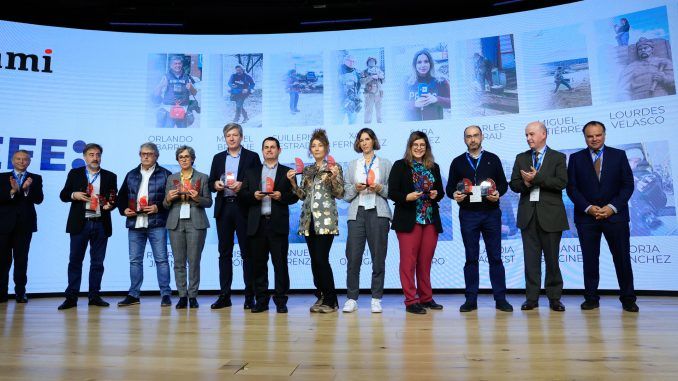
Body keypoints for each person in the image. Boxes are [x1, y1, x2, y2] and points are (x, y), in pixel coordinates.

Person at [566, 121, 638, 312]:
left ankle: (628, 298)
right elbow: (572, 188)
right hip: (587, 218)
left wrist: (612, 207)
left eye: (598, 135)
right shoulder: (575, 158)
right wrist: (588, 208)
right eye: (590, 136)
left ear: (604, 135)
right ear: (585, 137)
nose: (594, 139)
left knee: (622, 258)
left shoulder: (619, 155)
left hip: (615, 217)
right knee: (590, 259)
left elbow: (628, 185)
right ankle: (591, 298)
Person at [446, 126, 512, 312]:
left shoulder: (493, 159)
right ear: (464, 139)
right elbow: (450, 187)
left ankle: (500, 299)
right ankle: (471, 300)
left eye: (476, 136)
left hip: (491, 213)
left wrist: (498, 192)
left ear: (482, 137)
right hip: (468, 214)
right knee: (471, 258)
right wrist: (454, 194)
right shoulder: (457, 162)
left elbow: (503, 185)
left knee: (496, 258)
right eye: (469, 136)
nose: (473, 139)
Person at [509, 122, 569, 312]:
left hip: (551, 216)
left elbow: (561, 183)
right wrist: (526, 184)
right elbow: (514, 185)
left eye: (532, 134)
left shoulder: (558, 157)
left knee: (552, 260)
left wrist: (536, 179)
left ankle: (554, 298)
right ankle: (532, 298)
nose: (528, 138)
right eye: (526, 135)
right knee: (531, 260)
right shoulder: (521, 158)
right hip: (528, 216)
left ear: (544, 134)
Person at [388, 131, 445, 314]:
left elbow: (440, 192)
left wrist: (436, 195)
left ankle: (426, 298)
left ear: (426, 147)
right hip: (408, 220)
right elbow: (392, 193)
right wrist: (407, 196)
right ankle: (411, 301)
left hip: (429, 220)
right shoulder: (400, 165)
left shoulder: (433, 167)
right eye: (415, 145)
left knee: (425, 262)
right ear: (410, 147)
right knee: (408, 262)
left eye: (422, 145)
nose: (419, 148)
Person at [287, 129, 344, 313]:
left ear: (326, 147)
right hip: (308, 220)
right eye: (313, 145)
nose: (316, 148)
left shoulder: (334, 168)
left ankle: (331, 300)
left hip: (326, 220)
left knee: (321, 259)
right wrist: (294, 183)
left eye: (320, 145)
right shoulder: (309, 169)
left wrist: (334, 178)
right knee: (314, 260)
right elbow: (303, 196)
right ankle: (320, 296)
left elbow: (339, 193)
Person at [241, 137, 299, 313]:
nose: (269, 150)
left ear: (279, 150)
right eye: (266, 147)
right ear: (262, 150)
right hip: (257, 225)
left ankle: (281, 301)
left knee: (280, 264)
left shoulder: (287, 172)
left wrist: (282, 196)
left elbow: (295, 196)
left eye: (273, 147)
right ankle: (262, 300)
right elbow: (243, 195)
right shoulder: (251, 171)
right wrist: (254, 196)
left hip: (277, 224)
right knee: (258, 264)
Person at [57, 143, 117, 310]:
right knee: (75, 261)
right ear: (85, 157)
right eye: (91, 154)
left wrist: (110, 205)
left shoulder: (110, 176)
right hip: (80, 224)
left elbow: (114, 199)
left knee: (98, 263)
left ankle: (94, 296)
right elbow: (63, 195)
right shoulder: (75, 173)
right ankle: (71, 298)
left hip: (100, 223)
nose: (95, 158)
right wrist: (73, 195)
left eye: (98, 154)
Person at [209, 123, 262, 310]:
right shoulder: (217, 158)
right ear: (225, 138)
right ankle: (225, 295)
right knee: (224, 253)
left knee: (248, 254)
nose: (231, 138)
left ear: (241, 137)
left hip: (244, 209)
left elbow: (258, 182)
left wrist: (244, 185)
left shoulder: (252, 157)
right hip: (224, 209)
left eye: (235, 135)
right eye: (228, 135)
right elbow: (210, 182)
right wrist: (215, 184)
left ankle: (250, 296)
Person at [116, 142, 173, 307]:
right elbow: (121, 197)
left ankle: (166, 294)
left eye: (149, 153)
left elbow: (170, 200)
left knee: (161, 260)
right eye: (143, 153)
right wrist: (124, 209)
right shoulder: (131, 174)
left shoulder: (166, 174)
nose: (146, 156)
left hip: (157, 223)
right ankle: (133, 295)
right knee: (135, 260)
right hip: (135, 223)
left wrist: (158, 207)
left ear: (156, 156)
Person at [342, 128, 392, 313]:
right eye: (361, 140)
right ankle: (351, 298)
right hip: (357, 213)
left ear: (373, 141)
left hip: (379, 213)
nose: (364, 143)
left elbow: (392, 191)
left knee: (378, 257)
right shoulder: (353, 164)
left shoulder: (385, 164)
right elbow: (346, 195)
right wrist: (355, 188)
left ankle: (376, 298)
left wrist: (380, 188)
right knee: (353, 257)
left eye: (367, 139)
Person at [163, 146, 212, 309]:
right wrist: (168, 199)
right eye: (180, 157)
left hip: (196, 221)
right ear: (177, 160)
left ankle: (193, 296)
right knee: (178, 262)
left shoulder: (203, 177)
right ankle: (182, 295)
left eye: (187, 156)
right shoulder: (171, 178)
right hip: (175, 221)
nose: (184, 159)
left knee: (194, 261)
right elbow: (164, 204)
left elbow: (209, 202)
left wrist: (197, 197)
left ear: (193, 159)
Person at [0, 150, 43, 304]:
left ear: (29, 162)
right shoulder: (2, 177)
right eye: (18, 159)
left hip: (24, 225)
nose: (21, 161)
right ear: (12, 161)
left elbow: (39, 199)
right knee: (2, 261)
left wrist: (26, 191)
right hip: (3, 225)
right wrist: (12, 191)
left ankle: (20, 293)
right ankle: (1, 294)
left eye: (25, 159)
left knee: (21, 260)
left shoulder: (35, 178)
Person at [405, 49, 451, 121]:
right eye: (419, 62)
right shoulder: (407, 82)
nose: (423, 65)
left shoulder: (440, 81)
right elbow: (398, 105)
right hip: (412, 127)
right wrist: (414, 104)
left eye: (426, 61)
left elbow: (451, 102)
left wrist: (436, 99)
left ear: (431, 63)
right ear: (415, 65)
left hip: (435, 126)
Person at [154, 55, 198, 128]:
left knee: (182, 134)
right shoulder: (165, 77)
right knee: (168, 134)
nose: (177, 65)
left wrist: (191, 88)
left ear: (182, 64)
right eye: (175, 63)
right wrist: (161, 85)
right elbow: (156, 94)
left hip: (183, 111)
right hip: (168, 111)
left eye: (179, 63)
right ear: (171, 65)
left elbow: (195, 93)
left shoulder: (187, 77)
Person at [361, 57, 385, 124]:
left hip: (378, 94)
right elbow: (362, 81)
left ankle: (380, 124)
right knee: (368, 110)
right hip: (369, 94)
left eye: (373, 61)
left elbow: (383, 80)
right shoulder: (364, 72)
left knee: (379, 110)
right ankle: (367, 125)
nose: (372, 62)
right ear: (367, 63)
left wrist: (381, 77)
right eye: (370, 61)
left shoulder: (379, 71)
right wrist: (371, 77)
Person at [339, 54, 361, 124]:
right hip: (340, 102)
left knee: (353, 122)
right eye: (349, 61)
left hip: (353, 102)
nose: (351, 63)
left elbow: (358, 87)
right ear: (344, 61)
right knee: (338, 121)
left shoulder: (356, 73)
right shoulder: (338, 71)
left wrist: (357, 99)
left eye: (353, 61)